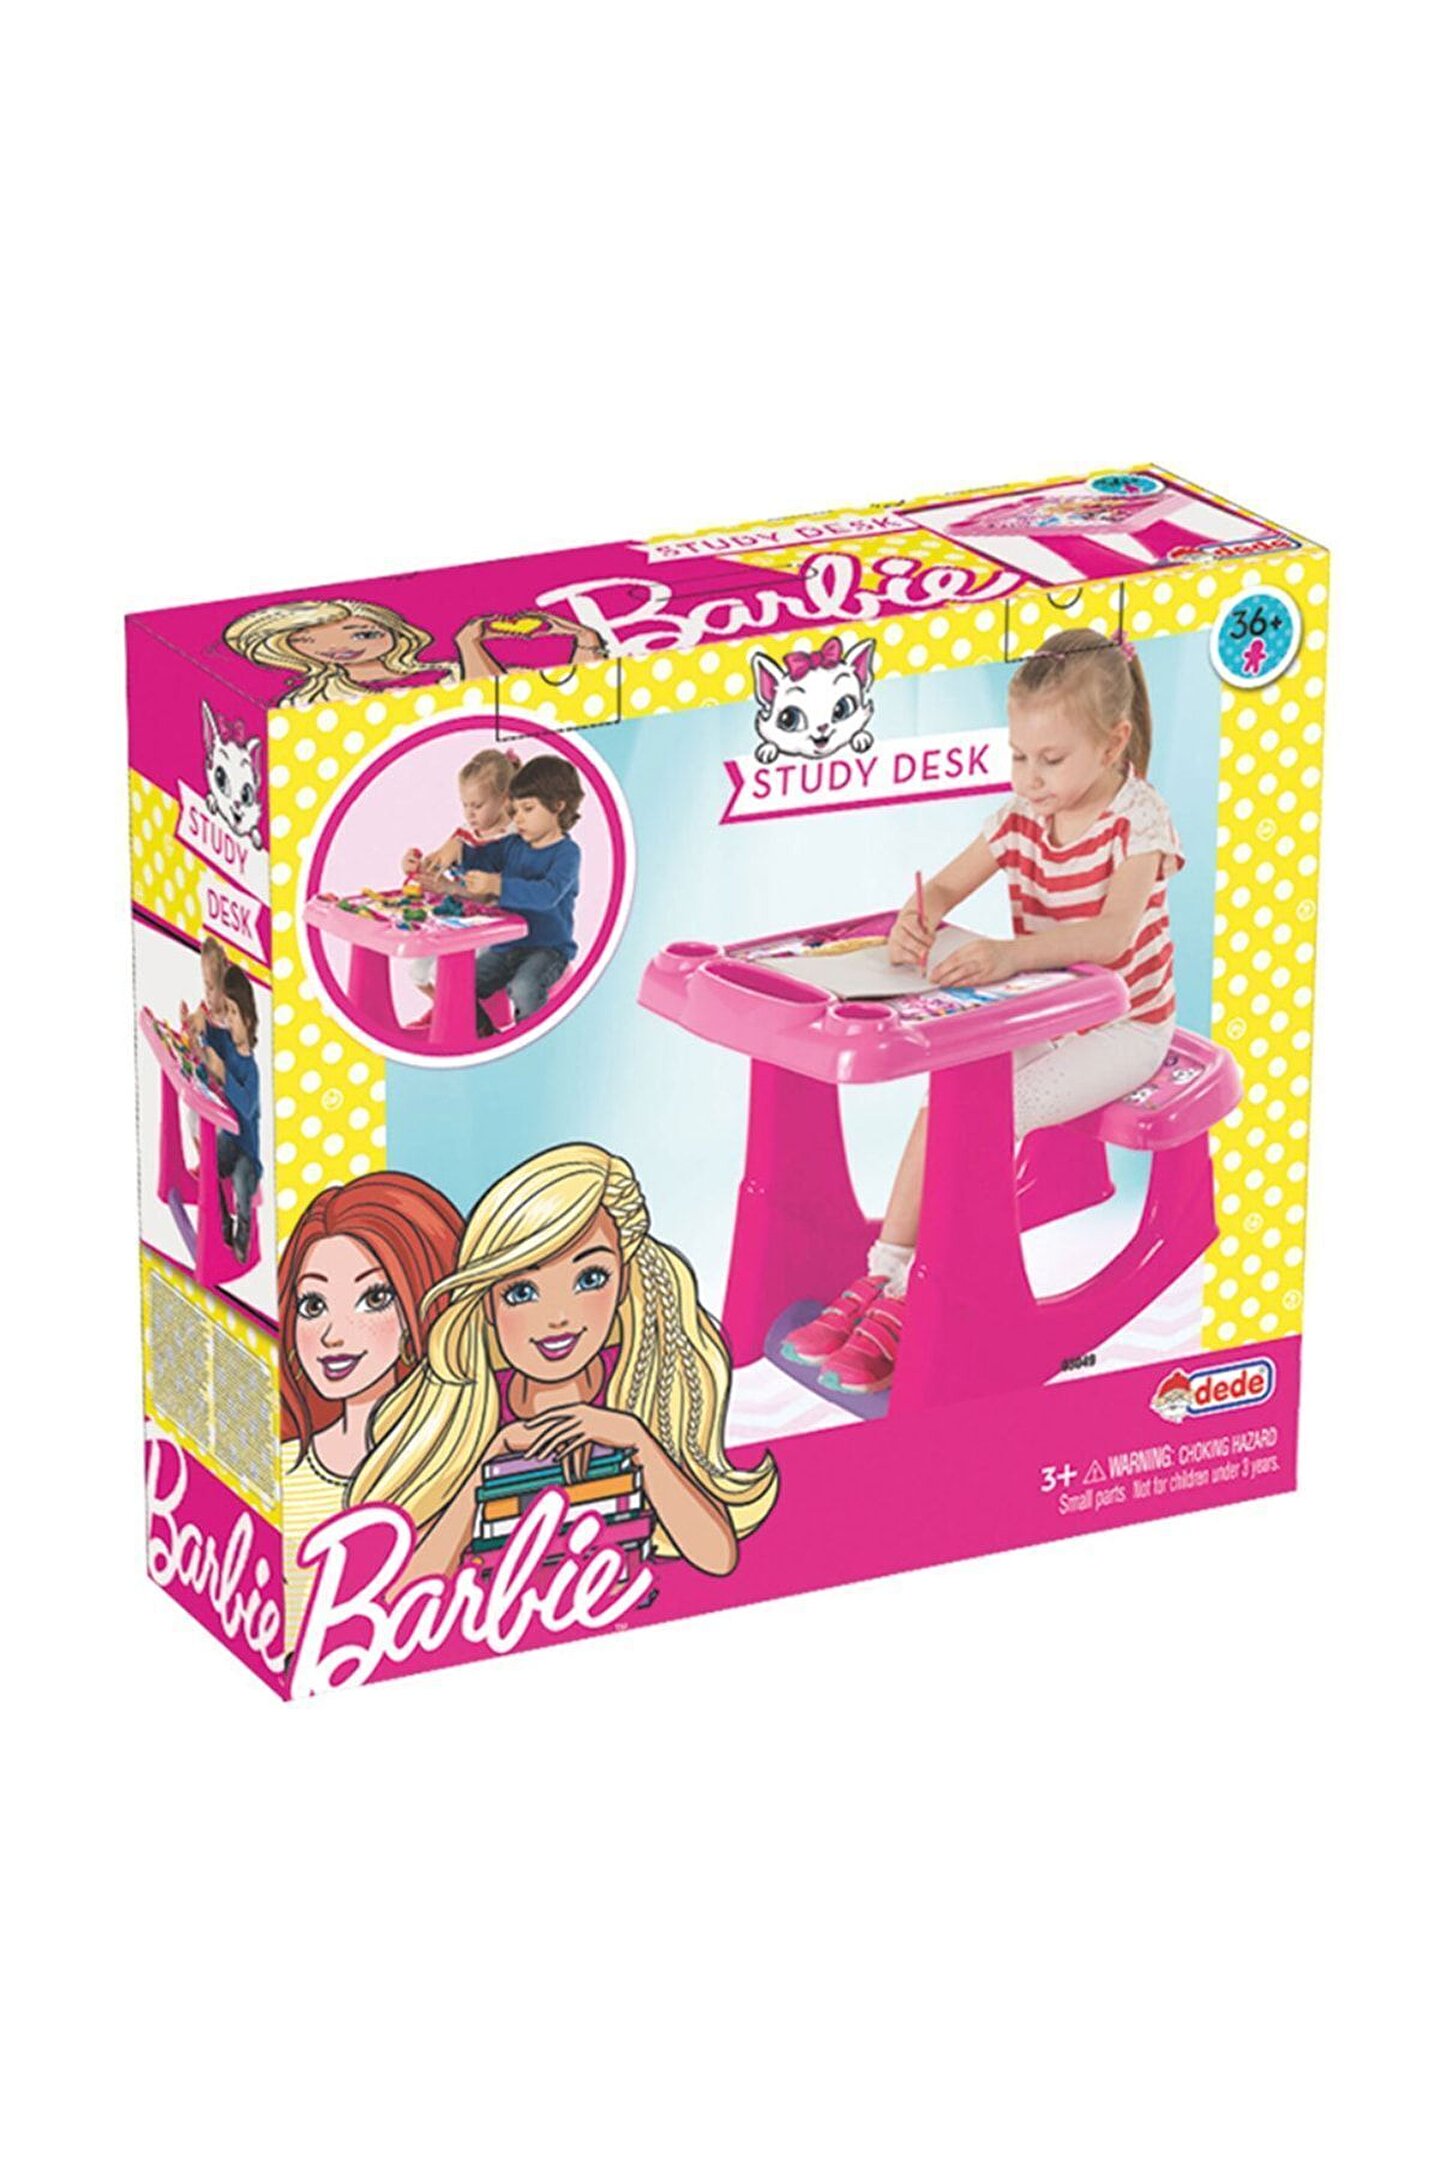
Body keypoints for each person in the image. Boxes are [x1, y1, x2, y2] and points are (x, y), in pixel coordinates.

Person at [786, 627, 1183, 1394]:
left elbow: (1112, 935)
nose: (1029, 778)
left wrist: (1008, 957)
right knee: (949, 1095)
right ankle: (886, 1273)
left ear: (1113, 743)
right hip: (1049, 1012)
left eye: (1050, 759)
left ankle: (930, 1290)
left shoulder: (1139, 819)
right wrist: (920, 915)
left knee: (991, 1114)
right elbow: (943, 886)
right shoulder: (1018, 816)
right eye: (1018, 756)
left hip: (1128, 1026)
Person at [350, 1142, 779, 1581]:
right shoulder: (475, 1408)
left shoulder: (640, 1382)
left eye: (590, 1279)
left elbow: (718, 1557)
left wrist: (635, 1439)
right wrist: (489, 1467)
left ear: (622, 1281)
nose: (558, 1317)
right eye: (522, 1292)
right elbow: (406, 1593)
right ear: (488, 1306)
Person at [278, 1172, 465, 1654]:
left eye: (375, 1299)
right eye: (313, 1304)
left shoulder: (457, 1461)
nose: (333, 1335)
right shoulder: (282, 1470)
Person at [458, 753, 583, 1030]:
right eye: (515, 811)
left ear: (558, 806)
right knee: (459, 984)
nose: (519, 819)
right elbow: (480, 860)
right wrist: (459, 850)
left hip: (547, 948)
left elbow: (547, 894)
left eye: (528, 809)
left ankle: (530, 1037)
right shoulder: (513, 844)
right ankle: (487, 1037)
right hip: (507, 945)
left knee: (524, 987)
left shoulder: (567, 853)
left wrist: (497, 885)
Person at [400, 746, 518, 1008]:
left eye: (477, 805)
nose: (469, 813)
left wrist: (451, 887)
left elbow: (493, 895)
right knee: (417, 971)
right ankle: (446, 1009)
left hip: (494, 922)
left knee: (450, 971)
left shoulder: (514, 839)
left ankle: (463, 1012)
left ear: (504, 799)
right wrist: (413, 865)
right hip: (459, 916)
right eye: (465, 805)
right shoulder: (465, 834)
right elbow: (435, 863)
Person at [199, 964, 264, 1259]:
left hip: (248, 1153)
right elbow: (211, 1041)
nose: (228, 1018)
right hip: (229, 1142)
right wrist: (198, 1025)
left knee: (240, 1177)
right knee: (209, 1161)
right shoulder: (226, 1044)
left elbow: (246, 1108)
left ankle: (243, 1230)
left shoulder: (251, 1069)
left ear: (248, 1020)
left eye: (234, 1013)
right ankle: (222, 1219)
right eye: (227, 1011)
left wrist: (224, 1072)